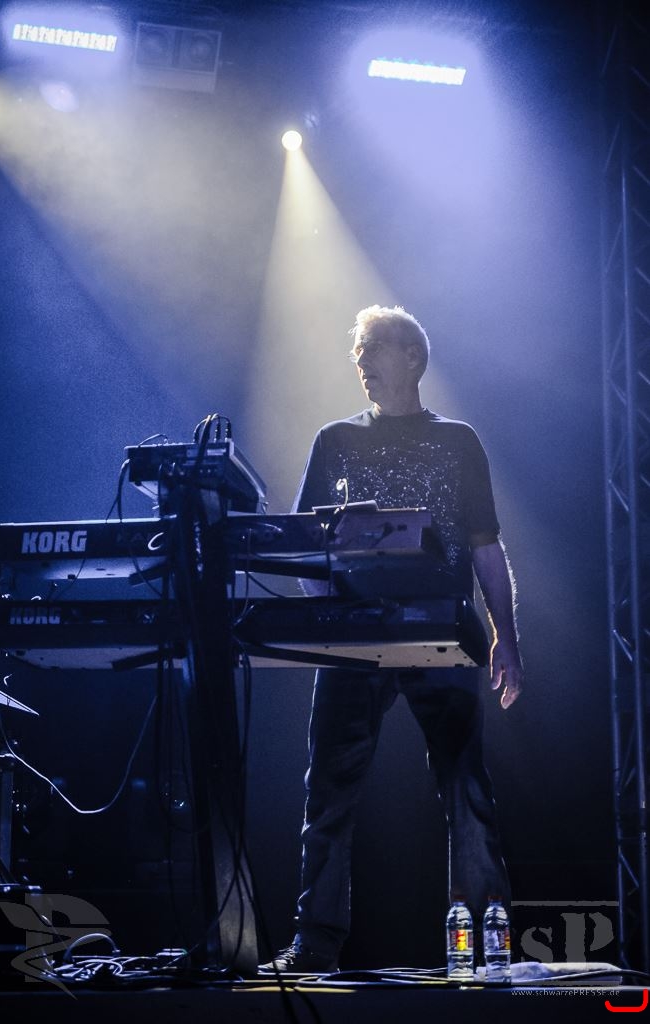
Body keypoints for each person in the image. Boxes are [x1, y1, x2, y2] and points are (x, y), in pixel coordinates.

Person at [258, 304, 524, 975]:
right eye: (356, 351)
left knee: (465, 788)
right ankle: (314, 945)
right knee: (329, 791)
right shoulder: (335, 440)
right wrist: (330, 621)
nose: (360, 361)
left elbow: (485, 547)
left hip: (442, 632)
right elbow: (307, 543)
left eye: (371, 347)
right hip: (355, 638)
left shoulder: (458, 440)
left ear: (412, 356)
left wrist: (506, 638)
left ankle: (484, 945)